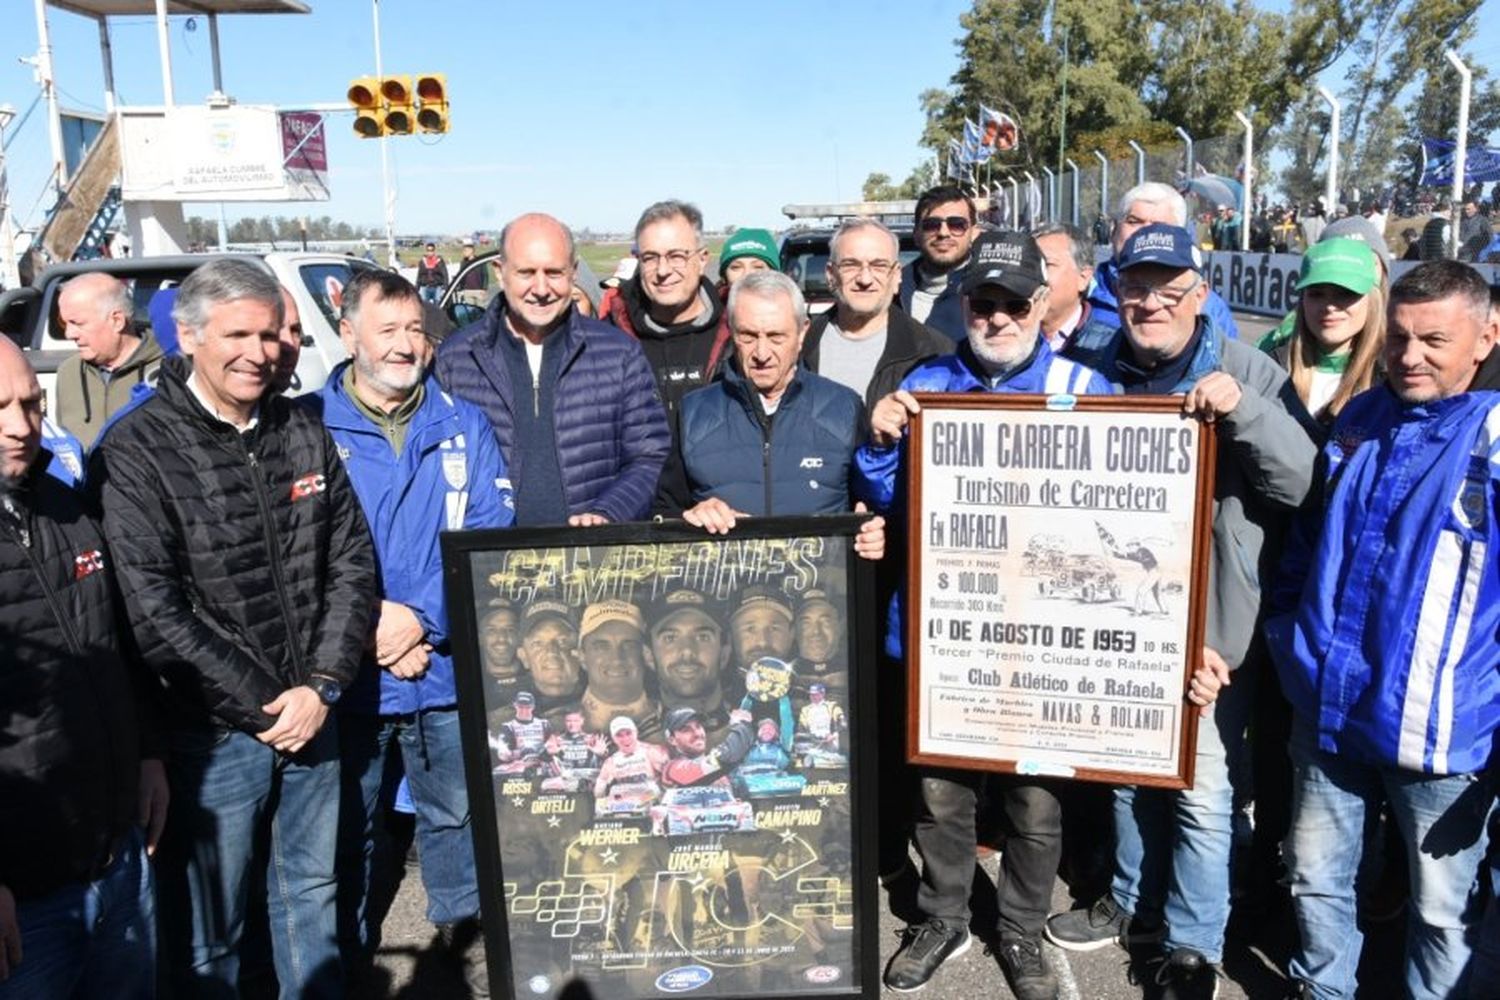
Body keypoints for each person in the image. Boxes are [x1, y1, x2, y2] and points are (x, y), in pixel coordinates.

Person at [90, 257, 377, 998]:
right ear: (188, 338)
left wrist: (322, 684)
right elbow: (153, 609)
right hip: (212, 737)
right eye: (237, 335)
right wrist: (267, 705)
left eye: (270, 334)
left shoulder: (300, 429)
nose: (260, 352)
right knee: (209, 933)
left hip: (314, 714)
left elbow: (351, 562)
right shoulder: (136, 451)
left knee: (310, 898)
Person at [1047, 224, 1317, 1000]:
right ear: (1114, 289)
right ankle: (1133, 901)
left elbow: (1301, 486)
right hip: (1119, 616)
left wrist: (1245, 413)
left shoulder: (1246, 370)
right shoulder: (1091, 367)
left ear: (1202, 295)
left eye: (1171, 289)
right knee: (1131, 778)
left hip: (1209, 632)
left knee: (1200, 793)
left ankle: (1193, 944)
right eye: (1137, 286)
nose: (1152, 302)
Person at [855, 229, 1115, 999]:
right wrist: (878, 441)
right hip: (942, 631)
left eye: (1012, 303)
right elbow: (887, 502)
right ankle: (942, 915)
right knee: (941, 794)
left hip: (1041, 637)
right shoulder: (924, 383)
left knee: (1034, 800)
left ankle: (1023, 930)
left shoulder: (1086, 386)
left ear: (1040, 303)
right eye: (984, 302)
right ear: (964, 303)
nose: (997, 318)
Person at [1266, 260, 1499, 1000]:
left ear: (1486, 336)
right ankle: (1322, 990)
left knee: (1442, 911)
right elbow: (1305, 541)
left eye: (1435, 339)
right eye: (1398, 337)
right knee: (1316, 879)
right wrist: (1288, 637)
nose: (1410, 356)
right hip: (1328, 708)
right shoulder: (1360, 416)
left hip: (1442, 734)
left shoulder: (1493, 439)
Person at [309, 268, 512, 995]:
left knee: (457, 817)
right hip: (348, 675)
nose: (404, 345)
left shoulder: (463, 424)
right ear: (349, 333)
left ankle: (467, 948)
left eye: (415, 331)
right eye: (387, 329)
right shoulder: (306, 429)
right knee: (349, 832)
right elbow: (299, 557)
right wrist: (369, 624)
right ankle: (349, 959)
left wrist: (418, 622)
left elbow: (489, 538)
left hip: (441, 665)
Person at [0, 337, 166, 999]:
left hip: (116, 858)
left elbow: (116, 646)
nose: (20, 424)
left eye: (31, 403)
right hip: (25, 900)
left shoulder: (67, 506)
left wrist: (148, 755)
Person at [435, 212, 669, 526]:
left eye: (554, 273)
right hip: (490, 559)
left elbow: (648, 456)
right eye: (526, 272)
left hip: (588, 557)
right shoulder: (457, 359)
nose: (541, 288)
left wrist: (608, 513)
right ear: (500, 272)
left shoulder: (619, 354)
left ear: (573, 273)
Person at [801, 218, 950, 412]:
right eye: (851, 265)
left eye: (878, 265)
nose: (865, 279)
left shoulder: (936, 352)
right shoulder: (799, 346)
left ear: (896, 275)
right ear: (830, 275)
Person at [604, 200, 734, 416]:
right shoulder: (609, 339)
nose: (663, 270)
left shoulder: (736, 334)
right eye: (650, 258)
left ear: (703, 260)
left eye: (676, 256)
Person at [1087, 183, 1241, 341]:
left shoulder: (1209, 308)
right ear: (1114, 230)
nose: (1144, 232)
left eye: (1159, 225)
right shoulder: (1081, 293)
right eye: (1134, 221)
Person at [1257, 238, 1386, 425]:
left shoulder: (1394, 377)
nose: (1329, 306)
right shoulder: (1270, 368)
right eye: (1317, 294)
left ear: (1372, 300)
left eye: (1345, 292)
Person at [54, 273, 164, 448]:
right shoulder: (69, 372)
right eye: (64, 323)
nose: (69, 334)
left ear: (117, 321)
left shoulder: (170, 369)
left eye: (78, 323)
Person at [649, 589, 736, 741]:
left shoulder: (760, 732)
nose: (687, 651)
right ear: (648, 656)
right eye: (670, 638)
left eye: (703, 637)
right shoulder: (624, 740)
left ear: (724, 654)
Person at [898, 184, 981, 341]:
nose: (943, 233)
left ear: (974, 233)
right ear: (916, 233)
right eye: (931, 225)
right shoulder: (893, 290)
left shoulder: (989, 290)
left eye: (957, 224)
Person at [577, 600, 661, 739]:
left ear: (646, 654)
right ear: (582, 657)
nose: (616, 659)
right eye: (601, 646)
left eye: (629, 645)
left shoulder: (678, 724)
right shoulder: (555, 728)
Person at [1033, 222, 1113, 354]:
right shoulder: (1006, 338)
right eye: (1030, 266)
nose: (1034, 274)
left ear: (1083, 278)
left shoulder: (1110, 346)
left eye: (1047, 265)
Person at [515, 600, 585, 725]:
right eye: (538, 643)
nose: (552, 651)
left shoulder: (610, 708)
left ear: (581, 652)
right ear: (524, 656)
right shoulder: (501, 720)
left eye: (562, 641)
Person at [658, 706, 756, 789]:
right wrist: (741, 725)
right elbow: (725, 756)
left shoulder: (721, 770)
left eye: (698, 726)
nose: (697, 733)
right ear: (672, 740)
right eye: (686, 730)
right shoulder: (673, 769)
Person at [716, 227, 780, 292]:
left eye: (758, 267)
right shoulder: (709, 300)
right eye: (736, 267)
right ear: (725, 276)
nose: (746, 275)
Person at [1458, 197, 1493, 262]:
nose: (1466, 211)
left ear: (1476, 209)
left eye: (1469, 209)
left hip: (1475, 254)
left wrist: (1481, 249)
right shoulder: (1462, 220)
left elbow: (1490, 237)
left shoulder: (1483, 220)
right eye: (1465, 209)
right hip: (1461, 254)